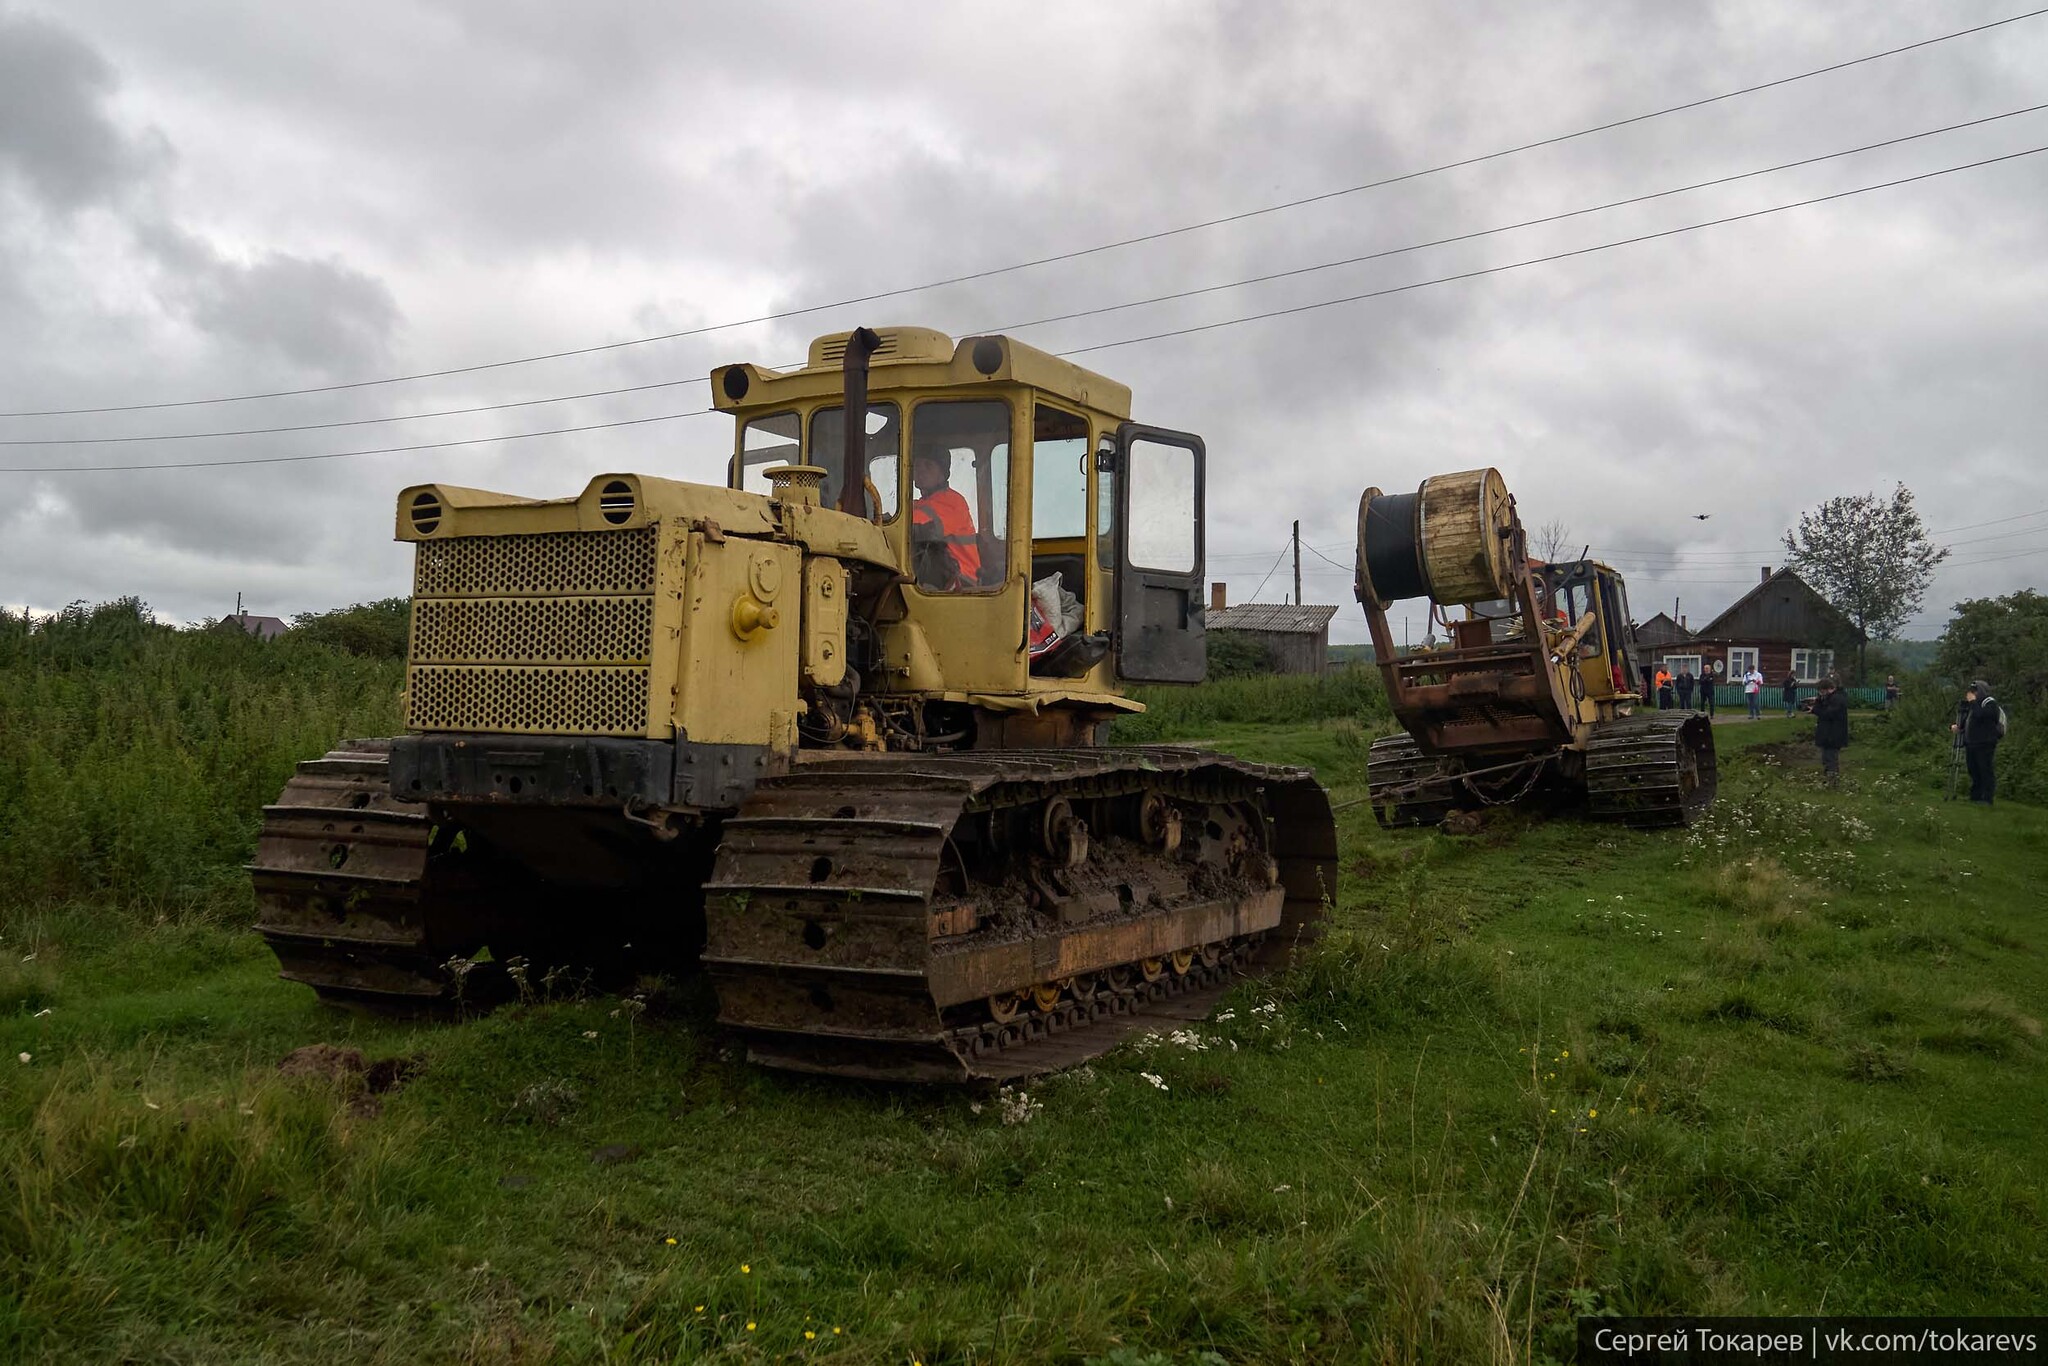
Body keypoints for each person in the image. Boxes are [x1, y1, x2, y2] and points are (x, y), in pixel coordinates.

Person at [909, 448, 981, 589]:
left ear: (942, 473)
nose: (920, 470)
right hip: (940, 576)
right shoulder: (919, 503)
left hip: (961, 579)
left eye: (928, 465)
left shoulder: (952, 501)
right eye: (917, 466)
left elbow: (924, 530)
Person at [1952, 680, 2004, 805]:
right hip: (1972, 742)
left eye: (1974, 691)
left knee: (1985, 769)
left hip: (1985, 742)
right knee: (1973, 770)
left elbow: (1981, 715)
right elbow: (1970, 719)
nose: (1972, 693)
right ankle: (1975, 796)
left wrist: (1973, 702)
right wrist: (1960, 727)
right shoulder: (1974, 705)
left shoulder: (1990, 703)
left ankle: (1987, 798)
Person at [1810, 676, 1850, 785]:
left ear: (1827, 689)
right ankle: (1829, 779)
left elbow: (1828, 713)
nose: (1821, 693)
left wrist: (1815, 709)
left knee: (1831, 759)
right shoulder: (1834, 698)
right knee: (1826, 758)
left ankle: (1832, 781)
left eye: (1821, 691)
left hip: (1833, 735)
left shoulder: (1837, 699)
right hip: (1829, 734)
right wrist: (1818, 701)